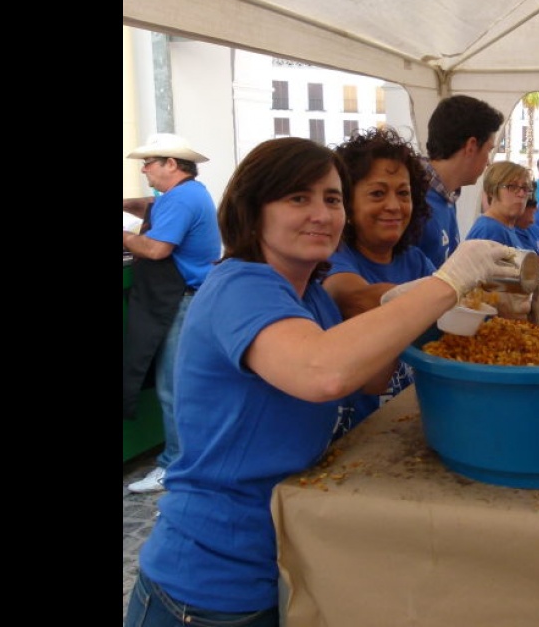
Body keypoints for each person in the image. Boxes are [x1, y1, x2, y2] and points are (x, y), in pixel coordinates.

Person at [124, 137, 518, 627]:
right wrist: (450, 281)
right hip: (209, 586)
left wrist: (415, 304)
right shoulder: (241, 284)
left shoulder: (309, 294)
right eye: (297, 198)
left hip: (286, 563)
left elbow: (369, 379)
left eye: (331, 199)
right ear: (253, 210)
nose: (321, 213)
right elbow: (325, 373)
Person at [122, 133, 221, 495]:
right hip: (190, 297)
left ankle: (174, 466)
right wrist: (127, 203)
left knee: (172, 387)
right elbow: (151, 206)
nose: (144, 169)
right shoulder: (188, 193)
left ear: (171, 165)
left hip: (179, 301)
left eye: (149, 162)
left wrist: (124, 236)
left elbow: (156, 248)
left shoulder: (180, 200)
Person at [322, 126, 436, 438]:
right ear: (346, 202)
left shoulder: (415, 261)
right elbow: (356, 298)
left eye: (403, 193)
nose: (393, 206)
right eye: (377, 193)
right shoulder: (334, 257)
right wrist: (454, 288)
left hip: (406, 426)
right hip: (354, 439)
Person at [415, 94, 505, 267]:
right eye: (488, 150)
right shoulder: (414, 200)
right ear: (471, 146)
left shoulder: (446, 196)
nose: (488, 162)